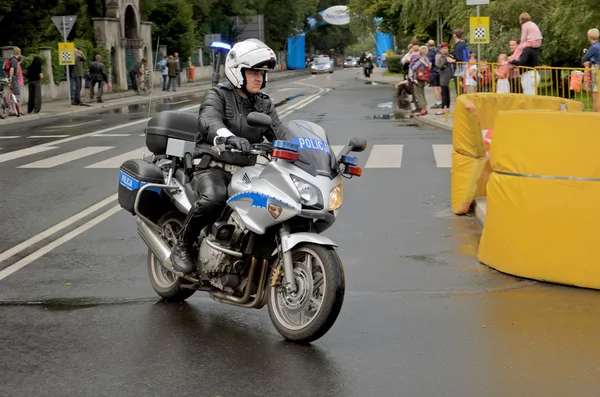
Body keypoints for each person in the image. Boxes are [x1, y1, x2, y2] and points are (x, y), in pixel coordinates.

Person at [170, 38, 288, 274]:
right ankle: (182, 244)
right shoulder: (217, 95)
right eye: (253, 72)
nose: (259, 78)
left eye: (262, 73)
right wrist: (227, 137)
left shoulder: (263, 104)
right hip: (213, 167)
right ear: (237, 72)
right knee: (215, 197)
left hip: (246, 172)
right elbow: (208, 121)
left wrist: (308, 153)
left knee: (276, 201)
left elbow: (281, 134)